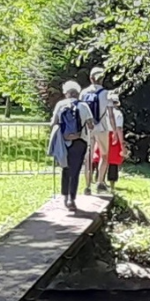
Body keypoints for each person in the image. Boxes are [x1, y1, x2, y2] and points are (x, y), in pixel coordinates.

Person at [48, 79, 93, 209]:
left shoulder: (60, 104)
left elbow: (53, 123)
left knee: (65, 169)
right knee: (76, 170)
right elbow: (90, 125)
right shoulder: (84, 106)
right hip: (80, 142)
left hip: (64, 142)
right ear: (78, 93)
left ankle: (65, 197)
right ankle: (72, 199)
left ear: (66, 92)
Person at [79, 66, 116, 196]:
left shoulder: (83, 93)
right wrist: (115, 131)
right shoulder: (107, 94)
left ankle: (87, 186)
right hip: (102, 128)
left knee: (87, 158)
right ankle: (100, 182)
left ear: (91, 78)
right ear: (103, 79)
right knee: (104, 155)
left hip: (87, 128)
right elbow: (111, 115)